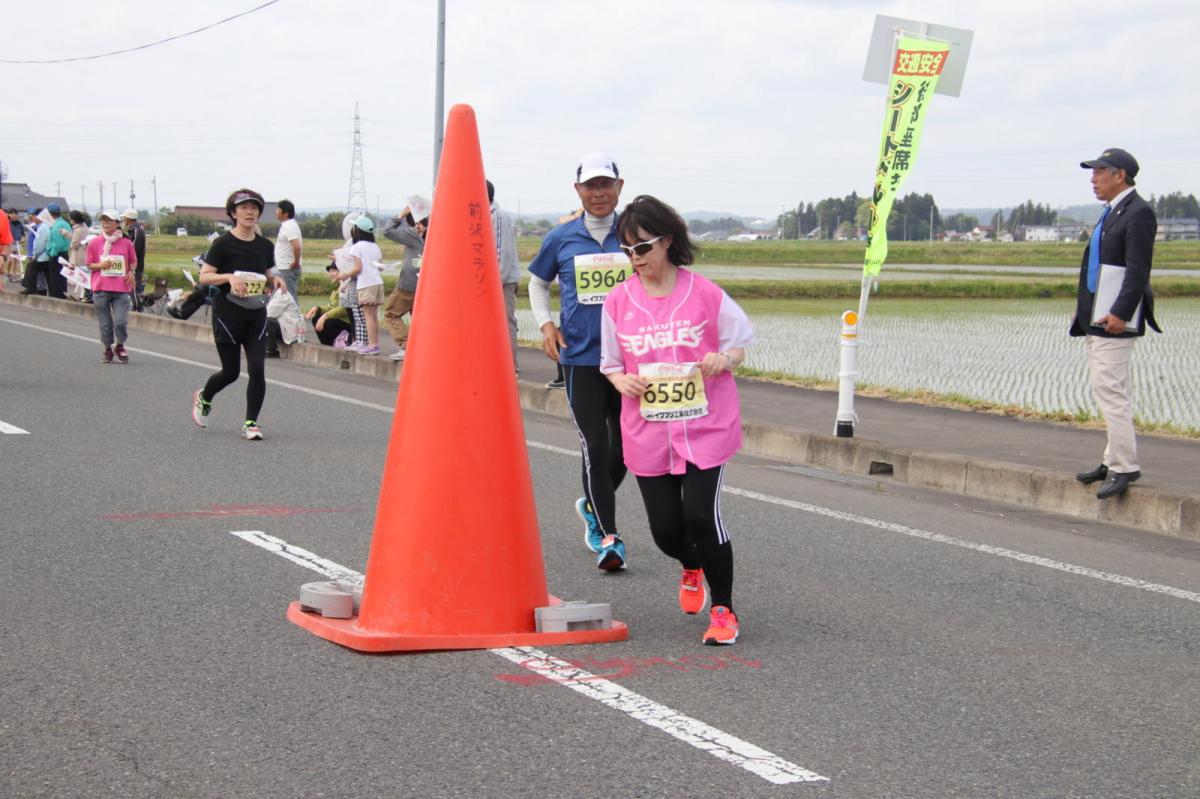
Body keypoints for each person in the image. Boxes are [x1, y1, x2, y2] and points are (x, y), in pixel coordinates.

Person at [600, 194, 753, 645]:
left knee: (702, 516)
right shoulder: (618, 301)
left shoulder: (704, 293)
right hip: (648, 432)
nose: (635, 259)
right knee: (666, 531)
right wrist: (619, 381)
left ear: (666, 242)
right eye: (626, 251)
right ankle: (691, 563)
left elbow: (740, 342)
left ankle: (724, 610)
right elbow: (610, 362)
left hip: (706, 424)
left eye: (642, 248)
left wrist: (722, 359)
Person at [528, 152, 630, 571]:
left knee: (628, 451)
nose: (599, 192)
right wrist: (546, 325)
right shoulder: (562, 237)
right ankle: (609, 537)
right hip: (581, 357)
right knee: (595, 443)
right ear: (578, 191)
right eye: (591, 186)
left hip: (632, 360)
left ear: (620, 188)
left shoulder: (637, 232)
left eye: (606, 184)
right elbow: (538, 282)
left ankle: (591, 503)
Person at [1071, 148, 1161, 500]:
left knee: (1113, 393)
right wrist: (1084, 308)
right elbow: (1097, 267)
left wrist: (1121, 313)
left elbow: (1137, 271)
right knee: (1105, 390)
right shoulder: (1111, 212)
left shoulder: (1138, 213)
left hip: (1114, 320)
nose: (1093, 179)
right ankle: (1111, 460)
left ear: (1120, 175)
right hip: (1096, 315)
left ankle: (1125, 466)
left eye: (1099, 172)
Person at [191, 189, 285, 441]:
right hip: (228, 314)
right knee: (230, 372)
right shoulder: (222, 244)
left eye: (254, 208)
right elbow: (205, 276)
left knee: (257, 368)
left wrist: (275, 279)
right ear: (233, 213)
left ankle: (251, 424)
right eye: (244, 208)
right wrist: (229, 277)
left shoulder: (265, 245)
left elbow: (267, 272)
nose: (250, 212)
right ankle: (205, 396)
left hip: (256, 313)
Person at [381, 195, 430, 360]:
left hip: (407, 284)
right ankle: (423, 348)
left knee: (391, 314)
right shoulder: (436, 234)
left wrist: (401, 214)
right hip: (425, 284)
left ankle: (406, 346)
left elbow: (387, 231)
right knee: (418, 317)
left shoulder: (413, 234)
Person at [85, 210, 138, 363]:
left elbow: (134, 261)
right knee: (105, 323)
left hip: (121, 288)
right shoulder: (94, 242)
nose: (105, 223)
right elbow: (89, 264)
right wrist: (101, 265)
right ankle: (108, 348)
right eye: (103, 220)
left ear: (117, 223)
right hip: (100, 288)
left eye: (109, 220)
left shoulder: (126, 243)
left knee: (121, 321)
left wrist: (132, 272)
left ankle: (120, 345)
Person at [330, 216, 383, 354]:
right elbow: (380, 267)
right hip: (377, 283)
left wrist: (345, 275)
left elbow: (358, 268)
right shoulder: (375, 246)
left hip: (365, 284)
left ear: (357, 231)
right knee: (374, 317)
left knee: (367, 317)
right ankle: (375, 343)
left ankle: (371, 345)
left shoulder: (357, 247)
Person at [487, 180, 521, 371]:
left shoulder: (496, 216)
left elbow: (501, 251)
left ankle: (509, 365)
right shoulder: (482, 214)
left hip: (502, 281)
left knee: (505, 321)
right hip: (490, 282)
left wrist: (495, 282)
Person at [306, 263, 356, 347]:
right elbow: (330, 308)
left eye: (334, 271)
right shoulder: (336, 290)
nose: (330, 274)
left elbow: (344, 309)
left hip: (348, 323)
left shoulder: (347, 287)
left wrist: (325, 316)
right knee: (316, 317)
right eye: (329, 272)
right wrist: (318, 308)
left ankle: (346, 341)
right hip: (338, 321)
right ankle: (329, 346)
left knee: (328, 322)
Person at [273, 199, 303, 300]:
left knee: (289, 297)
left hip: (287, 267)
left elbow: (297, 246)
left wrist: (296, 262)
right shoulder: (287, 225)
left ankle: (296, 316)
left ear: (285, 213)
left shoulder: (289, 226)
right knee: (283, 297)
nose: (276, 212)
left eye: (278, 209)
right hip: (284, 267)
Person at [120, 209, 146, 300]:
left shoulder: (136, 230)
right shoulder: (135, 229)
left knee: (134, 288)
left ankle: (136, 308)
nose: (124, 220)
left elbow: (133, 249)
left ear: (129, 218)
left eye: (125, 218)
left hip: (135, 265)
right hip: (134, 264)